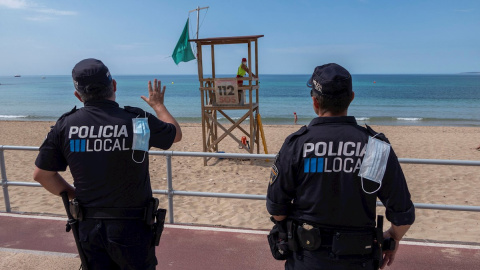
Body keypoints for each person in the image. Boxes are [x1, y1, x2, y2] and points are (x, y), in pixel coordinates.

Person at [33, 58, 182, 269]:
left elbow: (42, 175)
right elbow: (175, 135)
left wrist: (74, 194)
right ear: (113, 86)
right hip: (133, 228)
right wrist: (158, 105)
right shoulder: (138, 121)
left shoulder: (66, 126)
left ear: (78, 95)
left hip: (89, 227)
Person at [266, 63, 415, 270]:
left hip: (307, 261)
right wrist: (393, 237)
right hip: (359, 261)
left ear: (315, 101)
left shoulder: (297, 144)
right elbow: (403, 215)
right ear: (351, 97)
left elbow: (277, 210)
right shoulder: (374, 146)